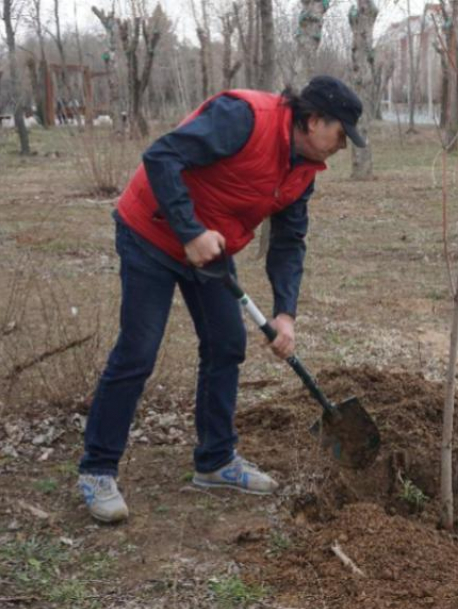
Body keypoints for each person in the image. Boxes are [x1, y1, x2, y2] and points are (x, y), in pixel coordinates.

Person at [78, 76, 366, 523]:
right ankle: (97, 470)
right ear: (313, 120)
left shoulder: (303, 169)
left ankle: (215, 461)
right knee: (139, 349)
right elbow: (162, 155)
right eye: (341, 134)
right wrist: (189, 231)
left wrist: (285, 313)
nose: (342, 146)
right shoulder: (244, 118)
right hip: (152, 232)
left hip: (212, 250)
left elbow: (289, 241)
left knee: (226, 345)